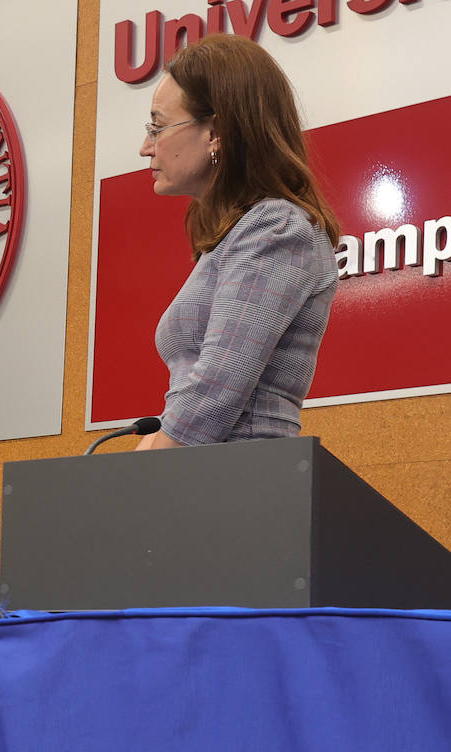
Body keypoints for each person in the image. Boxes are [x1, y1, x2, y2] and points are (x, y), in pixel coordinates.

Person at [135, 35, 340, 450]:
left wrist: (141, 467)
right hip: (215, 481)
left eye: (157, 127)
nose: (145, 147)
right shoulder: (236, 234)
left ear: (217, 132)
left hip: (243, 486)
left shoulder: (275, 228)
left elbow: (216, 386)